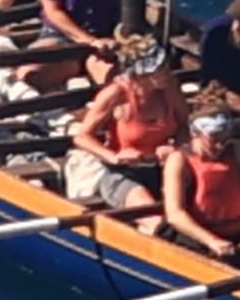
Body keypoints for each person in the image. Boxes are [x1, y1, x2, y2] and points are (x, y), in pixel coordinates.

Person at [62, 30, 184, 216]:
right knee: (151, 216)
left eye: (165, 65)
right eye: (159, 68)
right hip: (122, 172)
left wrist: (177, 149)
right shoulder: (116, 94)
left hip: (162, 168)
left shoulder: (169, 88)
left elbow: (185, 125)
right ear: (140, 75)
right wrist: (114, 157)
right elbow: (82, 137)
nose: (166, 71)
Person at [161, 109, 240, 263]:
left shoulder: (236, 149)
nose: (220, 145)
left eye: (225, 138)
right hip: (197, 238)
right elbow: (175, 214)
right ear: (195, 133)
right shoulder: (178, 160)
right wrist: (212, 241)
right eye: (213, 138)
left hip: (239, 235)